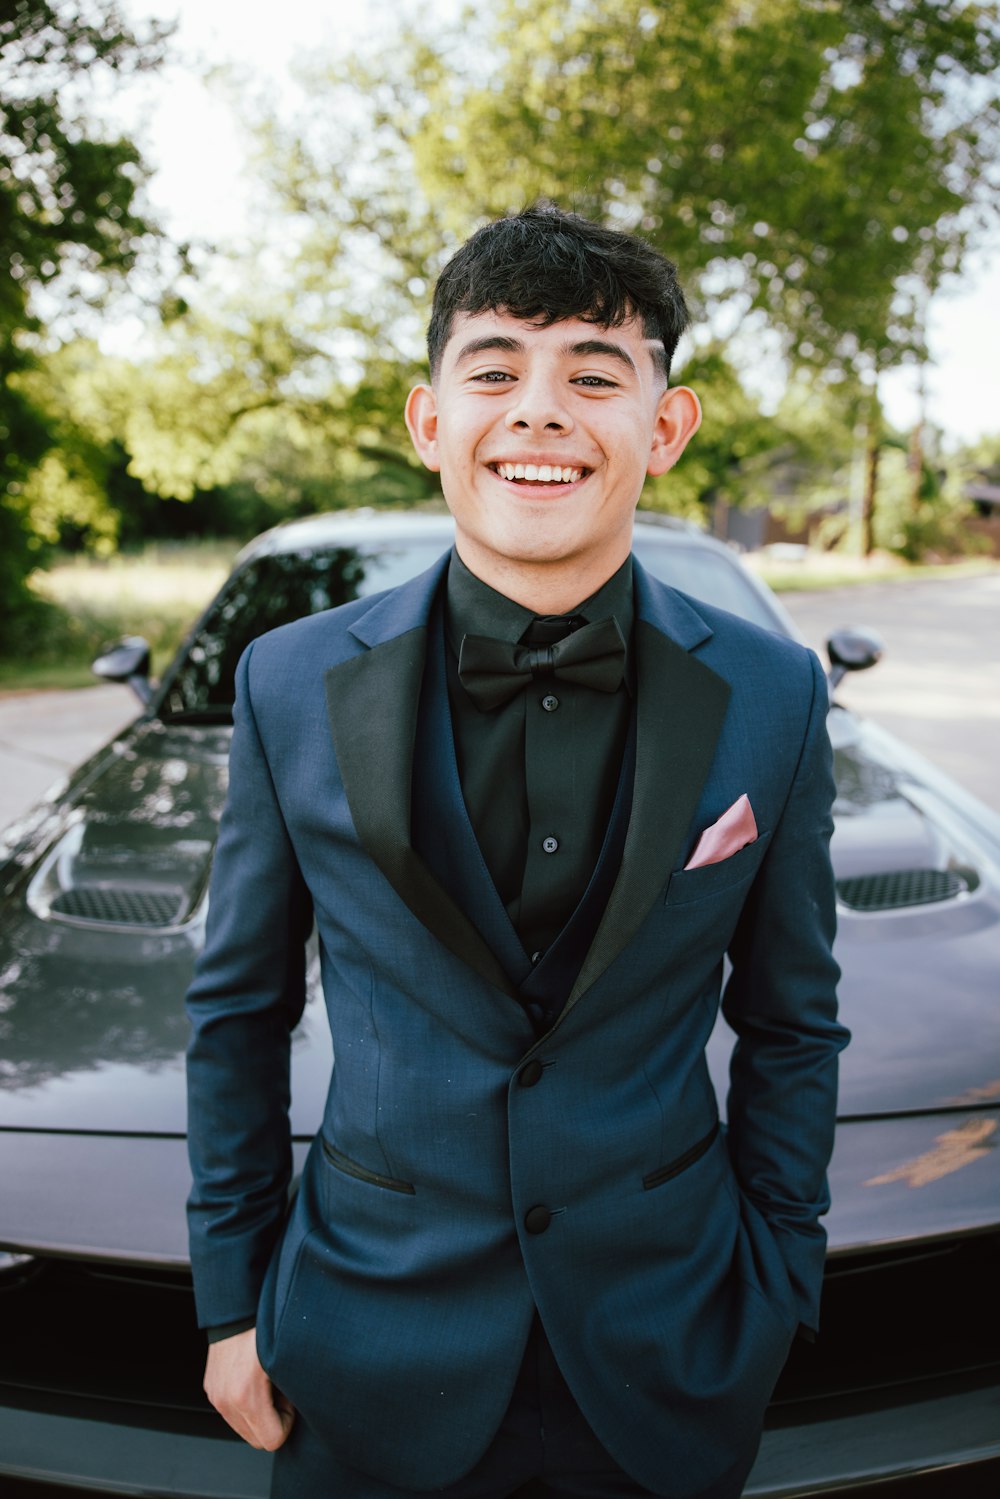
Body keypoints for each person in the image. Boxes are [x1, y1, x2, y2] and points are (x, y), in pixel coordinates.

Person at [185, 203, 848, 1499]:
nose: (540, 411)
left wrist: (780, 1279)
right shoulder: (288, 682)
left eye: (594, 376)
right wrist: (227, 1303)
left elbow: (794, 1024)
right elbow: (237, 1012)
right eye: (494, 370)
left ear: (665, 427)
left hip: (669, 1350)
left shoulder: (777, 694)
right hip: (361, 1343)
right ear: (431, 422)